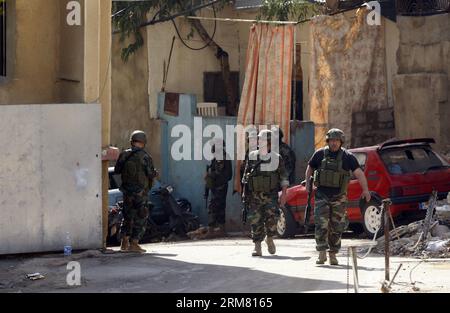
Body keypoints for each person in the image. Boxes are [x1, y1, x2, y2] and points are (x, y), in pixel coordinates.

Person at [305, 128, 370, 265]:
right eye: (332, 140)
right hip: (322, 195)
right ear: (328, 141)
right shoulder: (319, 154)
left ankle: (333, 254)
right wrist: (308, 184)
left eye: (337, 141)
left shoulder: (348, 157)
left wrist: (365, 190)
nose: (334, 143)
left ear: (341, 142)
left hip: (339, 197)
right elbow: (310, 167)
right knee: (321, 225)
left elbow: (359, 173)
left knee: (337, 226)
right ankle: (322, 253)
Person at [242, 129, 289, 256]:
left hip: (271, 196)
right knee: (255, 220)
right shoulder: (252, 156)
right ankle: (257, 246)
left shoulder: (276, 158)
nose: (261, 142)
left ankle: (270, 238)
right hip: (255, 196)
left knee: (272, 219)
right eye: (260, 140)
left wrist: (284, 194)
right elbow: (245, 176)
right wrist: (244, 194)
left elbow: (284, 177)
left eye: (264, 140)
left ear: (269, 142)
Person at [114, 130, 158, 253]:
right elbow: (150, 174)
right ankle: (134, 243)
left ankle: (124, 242)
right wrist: (155, 173)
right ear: (143, 142)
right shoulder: (145, 156)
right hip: (140, 193)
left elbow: (117, 170)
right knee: (141, 216)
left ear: (132, 141)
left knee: (128, 216)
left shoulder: (124, 155)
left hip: (127, 192)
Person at [204, 139, 233, 237]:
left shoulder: (221, 157)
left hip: (219, 186)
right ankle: (221, 230)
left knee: (213, 207)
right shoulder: (219, 157)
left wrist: (210, 175)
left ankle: (212, 230)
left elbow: (218, 172)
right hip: (219, 186)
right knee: (220, 207)